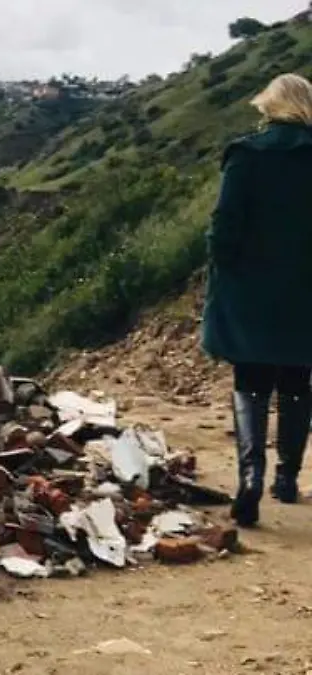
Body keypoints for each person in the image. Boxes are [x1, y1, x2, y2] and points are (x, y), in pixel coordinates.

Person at [202, 72, 312, 528]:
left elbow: (224, 225)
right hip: (306, 288)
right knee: (297, 381)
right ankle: (286, 479)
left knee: (250, 380)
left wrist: (226, 269)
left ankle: (250, 481)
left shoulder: (245, 155)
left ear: (268, 106)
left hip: (250, 286)